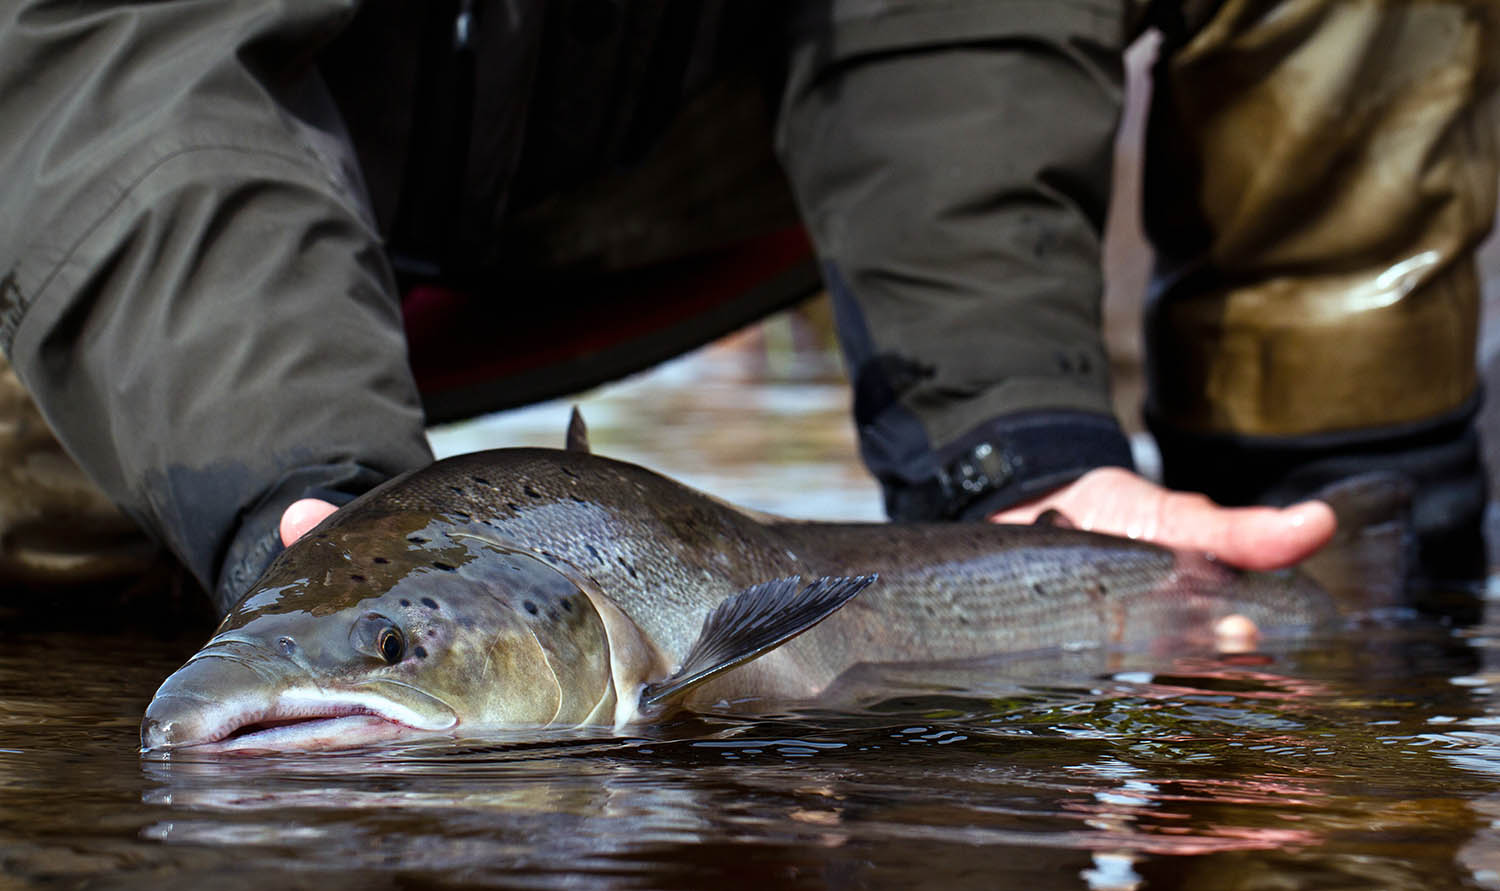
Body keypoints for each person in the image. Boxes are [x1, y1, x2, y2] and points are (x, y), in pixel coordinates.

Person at [0, 1, 1492, 615]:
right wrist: (294, 496)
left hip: (675, 149)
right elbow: (109, 48)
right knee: (157, 630)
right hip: (101, 174)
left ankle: (1363, 564)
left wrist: (1014, 445)